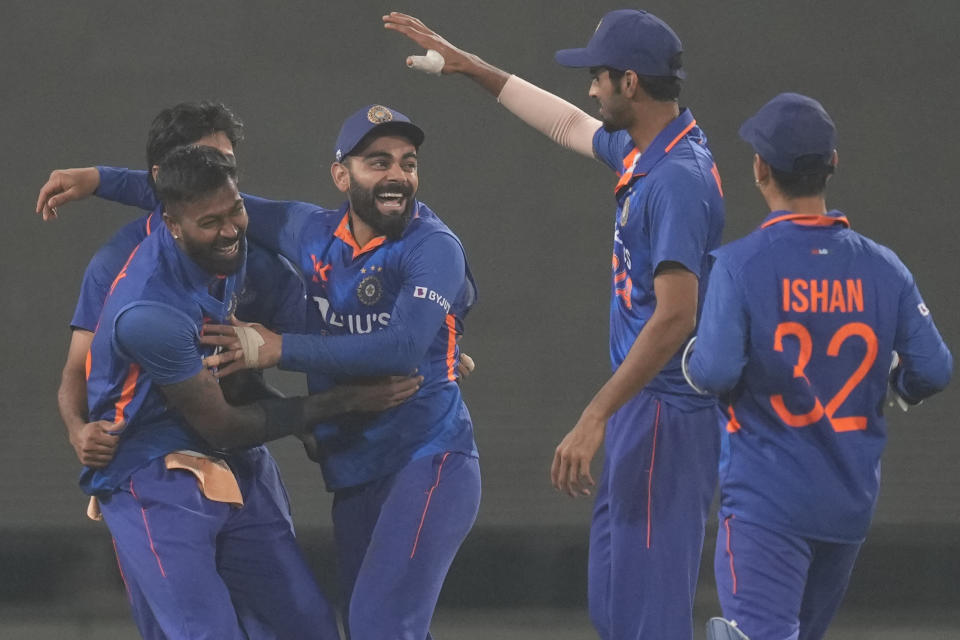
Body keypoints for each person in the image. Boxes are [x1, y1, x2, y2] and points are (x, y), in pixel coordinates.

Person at [40, 106, 481, 640]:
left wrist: (415, 341)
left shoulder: (247, 243)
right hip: (157, 466)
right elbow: (97, 378)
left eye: (407, 162)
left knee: (356, 627)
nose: (395, 174)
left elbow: (374, 341)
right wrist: (76, 428)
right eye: (377, 160)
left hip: (398, 451)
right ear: (342, 173)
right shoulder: (141, 289)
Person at [385, 10, 724, 639]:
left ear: (630, 82)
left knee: (648, 618)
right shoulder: (652, 149)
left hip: (666, 415)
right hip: (641, 407)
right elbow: (566, 124)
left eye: (597, 76)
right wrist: (469, 66)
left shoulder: (677, 179)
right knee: (617, 608)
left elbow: (678, 314)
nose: (589, 90)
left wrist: (595, 415)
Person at [683, 93, 953, 640]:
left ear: (761, 169)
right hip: (847, 505)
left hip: (767, 501)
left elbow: (711, 372)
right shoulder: (884, 267)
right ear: (832, 165)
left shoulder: (739, 266)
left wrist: (689, 354)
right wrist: (895, 382)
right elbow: (934, 368)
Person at [38, 101, 307, 472]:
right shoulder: (119, 266)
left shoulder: (245, 245)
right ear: (166, 176)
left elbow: (308, 343)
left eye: (224, 164)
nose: (212, 174)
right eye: (198, 162)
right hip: (156, 455)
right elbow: (77, 367)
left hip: (241, 435)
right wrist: (77, 430)